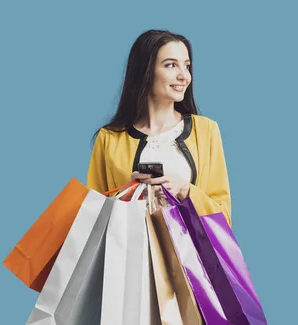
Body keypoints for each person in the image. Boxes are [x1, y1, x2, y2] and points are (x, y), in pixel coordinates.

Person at [86, 29, 232, 226]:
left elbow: (223, 218)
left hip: (188, 256)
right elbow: (92, 218)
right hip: (131, 256)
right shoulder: (109, 138)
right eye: (171, 65)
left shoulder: (206, 131)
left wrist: (185, 190)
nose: (184, 76)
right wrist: (128, 193)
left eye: (187, 66)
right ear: (145, 71)